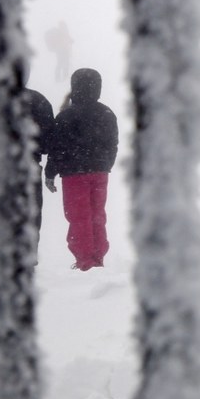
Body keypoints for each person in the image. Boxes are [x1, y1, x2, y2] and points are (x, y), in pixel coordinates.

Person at [44, 68, 119, 271]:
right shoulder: (106, 112)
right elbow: (113, 143)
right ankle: (97, 257)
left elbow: (56, 148)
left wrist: (50, 172)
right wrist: (106, 164)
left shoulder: (66, 116)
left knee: (79, 217)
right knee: (97, 214)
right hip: (100, 172)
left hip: (73, 173)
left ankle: (84, 261)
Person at [23, 76, 55, 261]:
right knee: (32, 209)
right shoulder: (38, 100)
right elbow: (49, 137)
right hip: (31, 161)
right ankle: (29, 251)